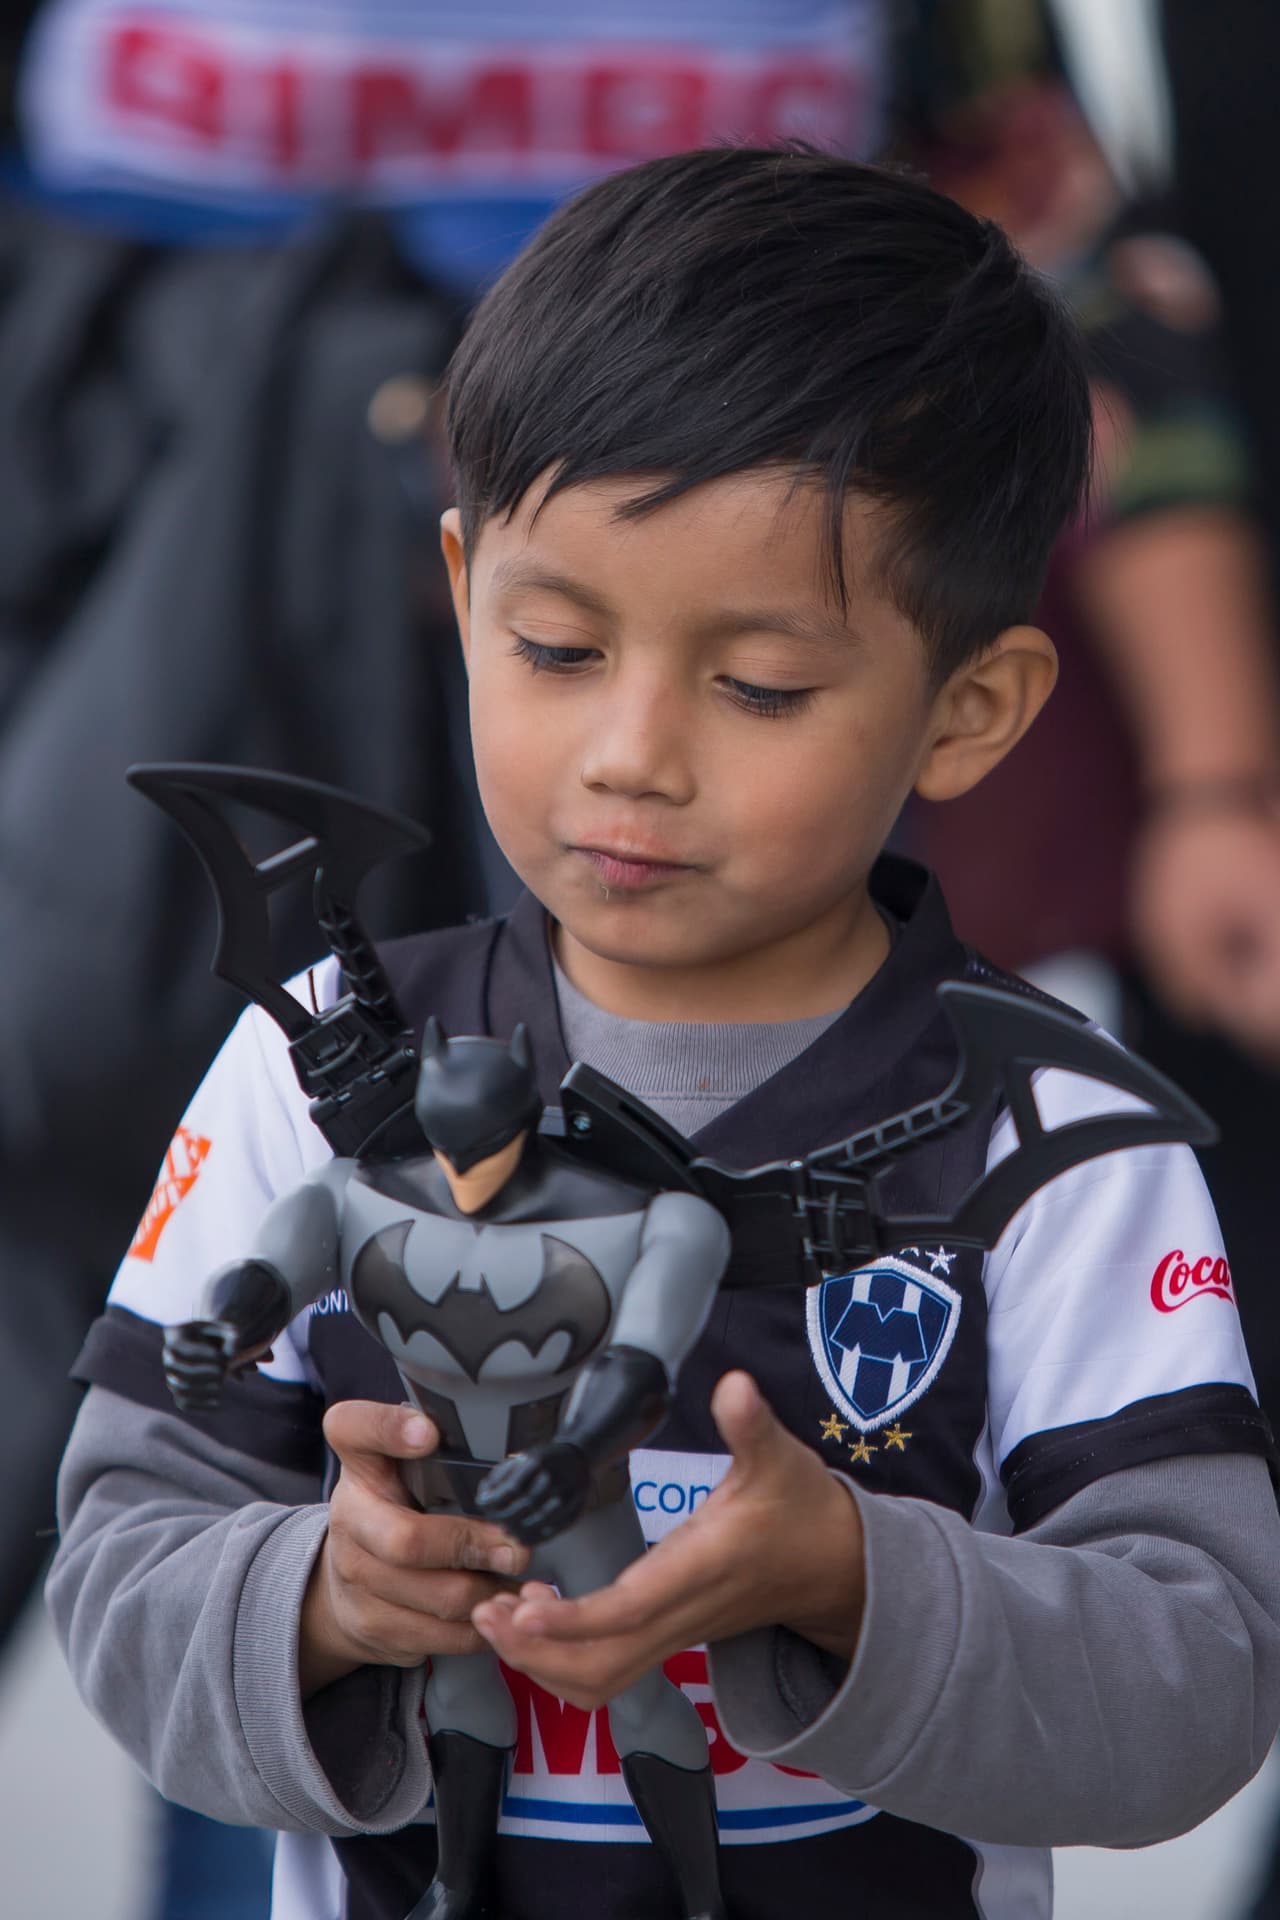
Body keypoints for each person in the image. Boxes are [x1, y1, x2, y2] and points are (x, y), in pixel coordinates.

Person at [47, 146, 1280, 1920]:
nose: (634, 752)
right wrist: (319, 1595)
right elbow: (123, 1559)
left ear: (972, 708)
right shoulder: (318, 1051)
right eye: (554, 647)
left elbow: (1200, 1681)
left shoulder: (1054, 1133)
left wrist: (859, 1581)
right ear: (464, 586)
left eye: (761, 686)